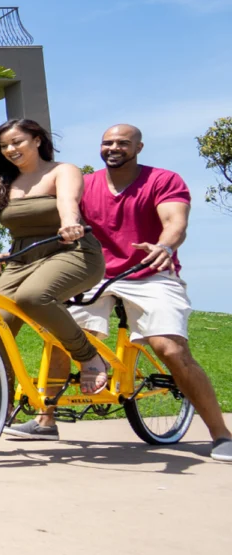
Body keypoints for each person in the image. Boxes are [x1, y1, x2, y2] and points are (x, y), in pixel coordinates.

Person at [0, 119, 107, 438]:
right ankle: (6, 404)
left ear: (37, 140)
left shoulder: (62, 171)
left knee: (34, 297)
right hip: (22, 256)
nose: (10, 149)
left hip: (70, 249)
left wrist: (69, 223)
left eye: (17, 142)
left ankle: (88, 357)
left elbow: (68, 203)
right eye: (4, 145)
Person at [65, 124, 231, 461]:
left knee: (169, 348)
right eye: (107, 142)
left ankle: (221, 434)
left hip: (151, 274)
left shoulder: (163, 180)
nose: (114, 148)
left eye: (123, 143)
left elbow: (175, 222)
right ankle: (44, 419)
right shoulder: (86, 184)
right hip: (96, 275)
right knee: (66, 336)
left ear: (139, 147)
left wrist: (164, 246)